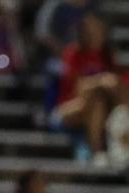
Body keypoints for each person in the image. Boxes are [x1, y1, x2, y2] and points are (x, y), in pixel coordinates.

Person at [52, 11, 119, 163]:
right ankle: (97, 150)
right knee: (95, 100)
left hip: (99, 108)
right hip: (70, 107)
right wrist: (101, 81)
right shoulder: (73, 53)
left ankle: (98, 152)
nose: (93, 33)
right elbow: (79, 89)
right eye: (89, 29)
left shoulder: (108, 56)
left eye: (97, 29)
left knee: (99, 104)